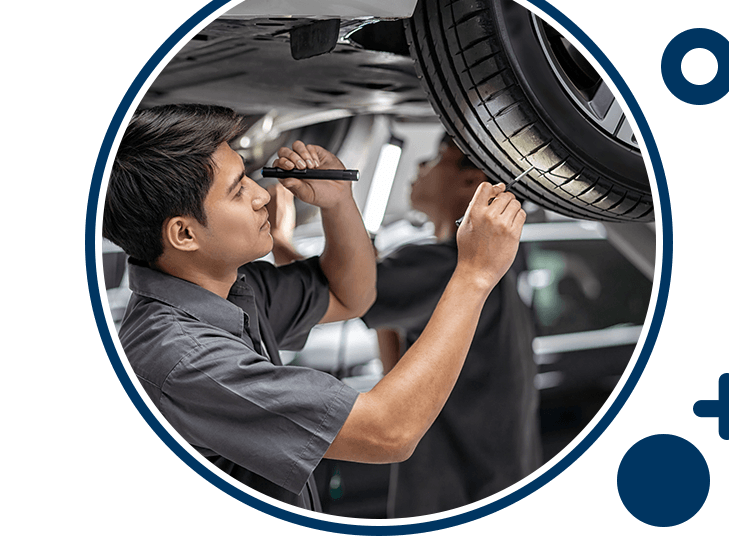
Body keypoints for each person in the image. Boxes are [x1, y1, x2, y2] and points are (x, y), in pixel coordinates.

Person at [103, 104, 526, 513]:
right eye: (237, 190)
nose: (259, 195)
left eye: (248, 178)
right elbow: (388, 432)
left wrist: (338, 202)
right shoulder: (184, 361)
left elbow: (350, 295)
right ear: (183, 233)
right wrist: (474, 275)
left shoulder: (233, 291)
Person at [362, 134, 542, 517]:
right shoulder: (499, 267)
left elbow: (330, 295)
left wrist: (282, 237)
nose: (420, 168)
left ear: (470, 181)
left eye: (434, 157)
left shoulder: (446, 266)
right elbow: (397, 376)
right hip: (490, 486)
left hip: (453, 495)